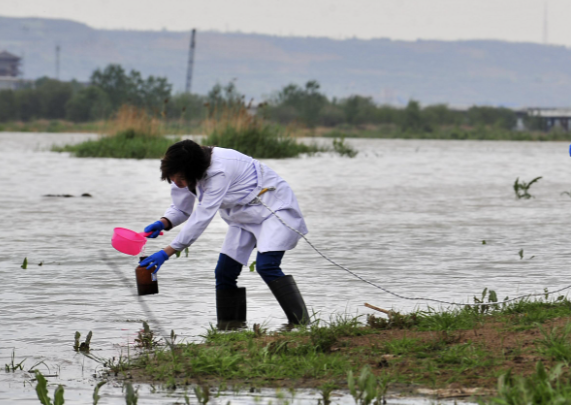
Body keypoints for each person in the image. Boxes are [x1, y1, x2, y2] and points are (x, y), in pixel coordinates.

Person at [140, 139, 309, 326]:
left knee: (266, 266)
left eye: (180, 179)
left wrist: (167, 252)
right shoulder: (183, 170)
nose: (177, 183)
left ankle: (301, 325)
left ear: (194, 171)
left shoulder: (218, 171)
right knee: (224, 273)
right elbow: (182, 209)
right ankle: (230, 329)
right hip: (243, 216)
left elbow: (202, 217)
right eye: (173, 179)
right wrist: (164, 222)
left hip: (273, 209)